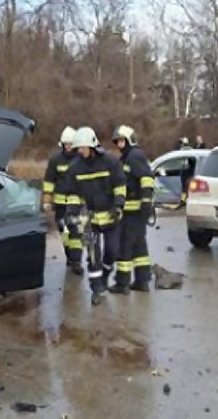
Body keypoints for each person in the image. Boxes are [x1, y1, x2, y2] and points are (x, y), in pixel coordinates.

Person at [63, 126, 127, 305]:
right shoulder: (75, 168)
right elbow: (73, 194)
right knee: (92, 255)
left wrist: (118, 206)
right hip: (88, 217)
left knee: (112, 251)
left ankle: (105, 274)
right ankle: (96, 288)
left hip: (110, 215)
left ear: (91, 145)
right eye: (78, 148)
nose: (79, 151)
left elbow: (120, 186)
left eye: (82, 147)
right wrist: (70, 213)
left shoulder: (110, 162)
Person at [109, 125, 155, 294]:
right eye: (117, 141)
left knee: (124, 245)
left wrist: (146, 201)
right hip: (136, 211)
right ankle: (142, 281)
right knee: (139, 246)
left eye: (121, 140)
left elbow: (146, 178)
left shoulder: (134, 156)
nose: (119, 144)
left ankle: (122, 283)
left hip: (132, 211)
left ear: (130, 140)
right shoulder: (128, 156)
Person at [42, 126, 83, 275]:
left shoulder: (81, 159)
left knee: (75, 231)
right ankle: (70, 257)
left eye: (71, 144)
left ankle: (77, 262)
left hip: (76, 201)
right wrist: (47, 200)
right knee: (63, 231)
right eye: (66, 144)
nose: (68, 147)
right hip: (59, 203)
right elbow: (49, 181)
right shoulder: (55, 160)